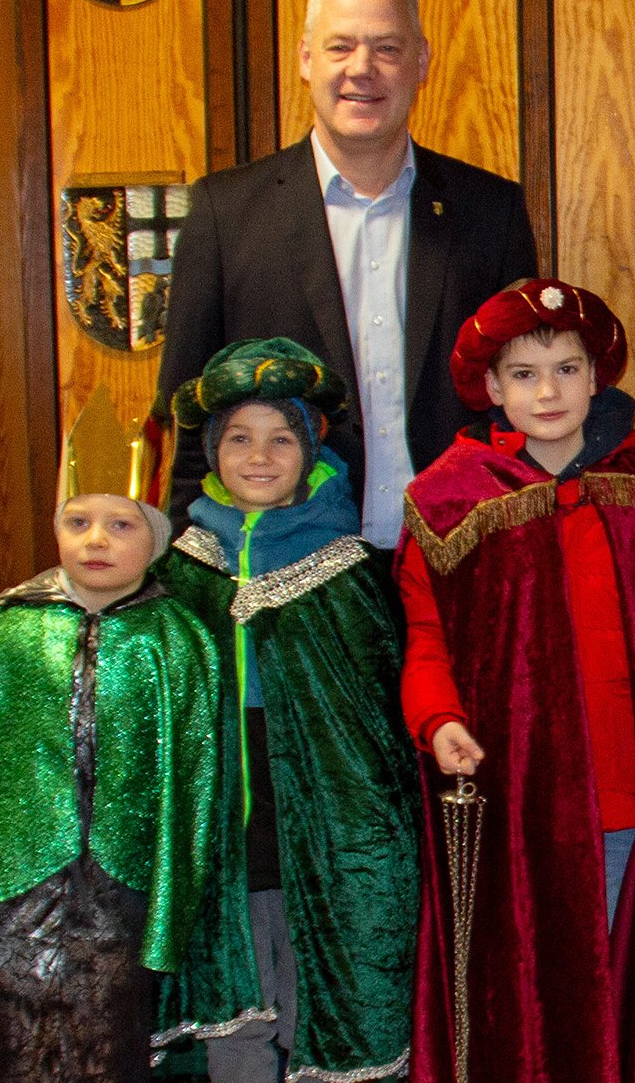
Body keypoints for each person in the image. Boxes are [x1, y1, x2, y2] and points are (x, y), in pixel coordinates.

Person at [398, 278, 635, 1083]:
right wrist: (439, 720)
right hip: (514, 802)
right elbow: (425, 636)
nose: (548, 391)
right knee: (528, 996)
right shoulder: (448, 498)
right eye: (525, 374)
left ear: (596, 376)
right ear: (493, 387)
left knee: (621, 991)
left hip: (630, 802)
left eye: (567, 369)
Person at [156, 0, 542, 547]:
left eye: (387, 48)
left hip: (458, 557)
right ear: (307, 61)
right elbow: (189, 411)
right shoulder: (224, 214)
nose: (362, 69)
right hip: (287, 569)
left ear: (422, 64)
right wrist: (190, 568)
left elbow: (524, 394)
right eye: (341, 47)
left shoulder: (490, 211)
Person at [0, 437, 221, 1083]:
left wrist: (174, 902)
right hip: (2, 894)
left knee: (103, 1043)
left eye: (121, 524)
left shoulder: (177, 641)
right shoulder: (6, 632)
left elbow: (193, 783)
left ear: (156, 538)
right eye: (78, 521)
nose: (97, 539)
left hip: (118, 895)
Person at [149, 338, 418, 1082]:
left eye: (280, 438)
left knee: (314, 1001)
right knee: (237, 1015)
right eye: (239, 438)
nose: (259, 456)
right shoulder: (181, 568)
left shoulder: (349, 572)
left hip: (324, 837)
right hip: (223, 835)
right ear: (212, 451)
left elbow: (377, 738)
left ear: (308, 449)